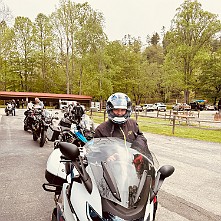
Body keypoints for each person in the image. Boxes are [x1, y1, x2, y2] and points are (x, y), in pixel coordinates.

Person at [94, 92, 152, 161]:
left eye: (122, 110)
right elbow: (96, 151)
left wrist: (136, 150)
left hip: (131, 164)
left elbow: (141, 138)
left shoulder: (132, 124)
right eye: (116, 110)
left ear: (127, 110)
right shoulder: (101, 129)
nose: (119, 113)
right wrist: (106, 157)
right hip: (112, 166)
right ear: (111, 110)